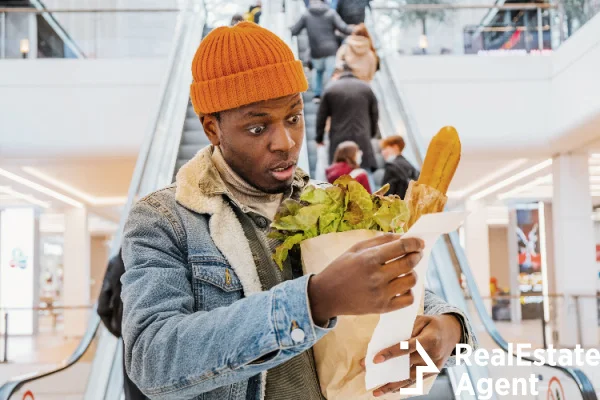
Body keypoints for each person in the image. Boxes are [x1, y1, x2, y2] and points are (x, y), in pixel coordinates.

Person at [121, 22, 475, 399]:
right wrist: (315, 301)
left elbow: (400, 281)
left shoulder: (332, 199)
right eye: (258, 128)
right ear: (212, 128)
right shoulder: (164, 220)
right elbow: (152, 358)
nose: (286, 142)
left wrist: (449, 328)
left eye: (293, 117)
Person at [97, 250, 147, 400]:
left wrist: (120, 332)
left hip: (130, 335)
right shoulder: (163, 257)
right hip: (161, 334)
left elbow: (103, 308)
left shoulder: (117, 261)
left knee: (134, 392)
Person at [316, 63, 379, 171]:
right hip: (362, 137)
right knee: (364, 173)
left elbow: (321, 116)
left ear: (338, 74)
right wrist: (372, 133)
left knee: (341, 177)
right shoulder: (366, 88)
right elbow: (374, 114)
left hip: (339, 139)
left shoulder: (331, 89)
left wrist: (319, 138)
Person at [291, 0, 353, 102]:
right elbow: (343, 28)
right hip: (331, 49)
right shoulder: (331, 13)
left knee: (318, 72)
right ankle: (331, 96)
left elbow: (295, 30)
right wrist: (357, 30)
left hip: (316, 51)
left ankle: (317, 95)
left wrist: (287, 30)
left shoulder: (306, 14)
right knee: (331, 74)